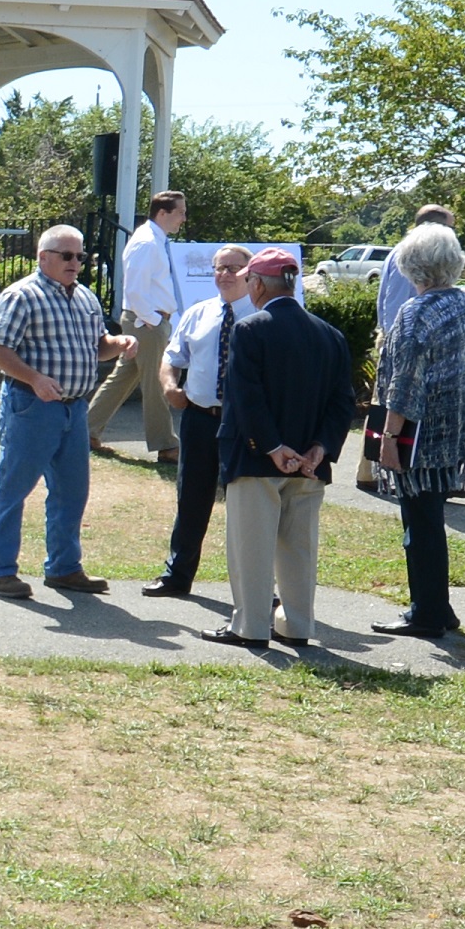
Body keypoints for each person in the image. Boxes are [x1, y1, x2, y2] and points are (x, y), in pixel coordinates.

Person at [374, 222, 465, 636]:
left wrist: (388, 437)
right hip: (459, 434)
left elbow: (403, 382)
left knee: (420, 525)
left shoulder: (416, 311)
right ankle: (438, 608)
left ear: (410, 267)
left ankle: (428, 614)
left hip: (419, 436)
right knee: (428, 520)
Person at [212, 246, 354, 647]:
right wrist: (319, 449)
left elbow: (246, 398)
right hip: (309, 465)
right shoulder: (331, 335)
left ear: (257, 283)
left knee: (251, 548)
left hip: (258, 460)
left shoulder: (250, 329)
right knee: (299, 550)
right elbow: (342, 402)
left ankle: (251, 627)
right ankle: (296, 626)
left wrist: (272, 447)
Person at [0, 222, 130, 600]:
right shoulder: (21, 296)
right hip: (32, 406)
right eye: (67, 255)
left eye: (81, 256)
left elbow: (98, 346)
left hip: (74, 409)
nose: (75, 263)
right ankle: (0, 572)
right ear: (42, 257)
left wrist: (120, 343)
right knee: (15, 488)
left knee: (71, 491)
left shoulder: (86, 299)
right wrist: (33, 379)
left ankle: (64, 568)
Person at [141, 243, 251, 598]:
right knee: (191, 499)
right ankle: (178, 574)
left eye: (232, 268)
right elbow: (172, 357)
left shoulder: (262, 316)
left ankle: (256, 584)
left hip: (246, 424)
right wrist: (171, 386)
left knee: (248, 505)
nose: (223, 274)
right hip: (201, 418)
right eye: (218, 268)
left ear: (251, 274)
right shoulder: (199, 313)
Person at [88, 190, 191, 470]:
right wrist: (153, 321)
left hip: (149, 321)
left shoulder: (155, 240)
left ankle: (85, 431)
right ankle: (167, 446)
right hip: (146, 322)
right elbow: (133, 288)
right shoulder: (146, 242)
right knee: (156, 381)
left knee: (124, 376)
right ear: (163, 213)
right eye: (180, 212)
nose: (184, 217)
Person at [362, 202, 460, 494]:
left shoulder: (402, 251)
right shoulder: (418, 255)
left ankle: (369, 470)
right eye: (450, 228)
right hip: (404, 338)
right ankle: (387, 467)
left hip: (397, 335)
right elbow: (400, 305)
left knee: (385, 403)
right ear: (435, 227)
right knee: (396, 404)